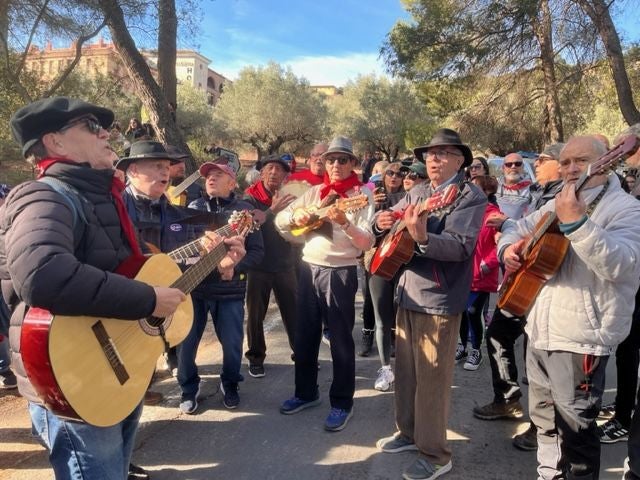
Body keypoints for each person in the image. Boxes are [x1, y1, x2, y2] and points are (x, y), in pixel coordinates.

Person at [0, 96, 187, 479]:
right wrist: (149, 299)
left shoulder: (100, 197)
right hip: (75, 376)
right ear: (56, 143)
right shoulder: (42, 195)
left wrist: (207, 260)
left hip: (113, 365)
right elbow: (44, 274)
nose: (106, 133)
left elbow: (124, 270)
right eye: (90, 125)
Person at [499, 136, 640, 480]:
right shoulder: (557, 201)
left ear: (606, 161)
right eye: (565, 162)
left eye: (581, 160)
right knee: (545, 425)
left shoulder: (626, 208)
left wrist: (578, 224)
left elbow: (626, 264)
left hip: (581, 341)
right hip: (539, 333)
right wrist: (508, 250)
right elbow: (515, 227)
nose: (571, 168)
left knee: (577, 436)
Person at [375, 128, 486, 480]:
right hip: (407, 292)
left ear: (459, 159)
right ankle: (409, 433)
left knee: (433, 381)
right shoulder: (419, 190)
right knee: (406, 372)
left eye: (442, 153)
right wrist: (381, 223)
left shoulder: (470, 196)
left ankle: (436, 454)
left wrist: (423, 237)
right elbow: (389, 222)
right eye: (430, 153)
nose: (433, 159)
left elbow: (461, 246)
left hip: (438, 298)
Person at [275, 135, 375, 432]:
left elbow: (367, 242)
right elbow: (281, 221)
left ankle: (342, 403)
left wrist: (344, 222)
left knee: (341, 342)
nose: (335, 165)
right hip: (308, 269)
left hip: (340, 273)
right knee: (304, 336)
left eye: (342, 160)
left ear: (353, 163)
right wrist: (297, 214)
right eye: (330, 159)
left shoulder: (361, 196)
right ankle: (306, 393)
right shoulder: (315, 192)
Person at [472, 143, 564, 451]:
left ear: (562, 166)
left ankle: (545, 428)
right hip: (523, 280)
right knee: (498, 335)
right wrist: (509, 247)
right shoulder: (543, 192)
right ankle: (507, 400)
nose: (533, 163)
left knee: (538, 358)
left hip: (549, 290)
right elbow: (524, 227)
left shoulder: (568, 196)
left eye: (543, 158)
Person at [177, 160, 264, 413]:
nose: (210, 179)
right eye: (207, 176)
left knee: (233, 343)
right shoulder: (192, 208)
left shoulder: (245, 211)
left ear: (232, 182)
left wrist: (235, 267)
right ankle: (188, 389)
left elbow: (258, 251)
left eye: (218, 174)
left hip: (229, 291)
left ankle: (231, 384)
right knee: (186, 343)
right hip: (194, 289)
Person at [244, 154, 297, 377]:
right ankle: (256, 357)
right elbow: (247, 227)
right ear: (262, 173)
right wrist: (272, 211)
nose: (274, 172)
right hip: (258, 266)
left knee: (294, 313)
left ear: (286, 175)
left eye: (279, 169)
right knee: (256, 315)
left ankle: (301, 353)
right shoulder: (249, 198)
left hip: (286, 264)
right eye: (269, 168)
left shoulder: (292, 197)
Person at [455, 175, 501, 371]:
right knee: (461, 312)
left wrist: (487, 263)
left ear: (487, 191)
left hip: (481, 273)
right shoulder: (466, 211)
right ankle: (462, 345)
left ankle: (476, 350)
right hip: (463, 271)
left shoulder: (494, 214)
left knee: (473, 312)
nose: (469, 191)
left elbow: (501, 242)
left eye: (474, 187)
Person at [367, 161, 406, 391]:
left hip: (402, 263)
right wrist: (374, 213)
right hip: (377, 262)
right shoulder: (372, 197)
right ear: (382, 175)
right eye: (390, 172)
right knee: (382, 317)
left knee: (403, 319)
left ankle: (404, 368)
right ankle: (385, 368)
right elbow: (364, 228)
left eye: (399, 173)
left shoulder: (410, 197)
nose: (394, 176)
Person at [495, 153, 533, 220]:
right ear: (503, 168)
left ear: (523, 167)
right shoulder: (494, 185)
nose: (513, 167)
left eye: (517, 164)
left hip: (517, 229)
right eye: (509, 164)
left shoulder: (532, 189)